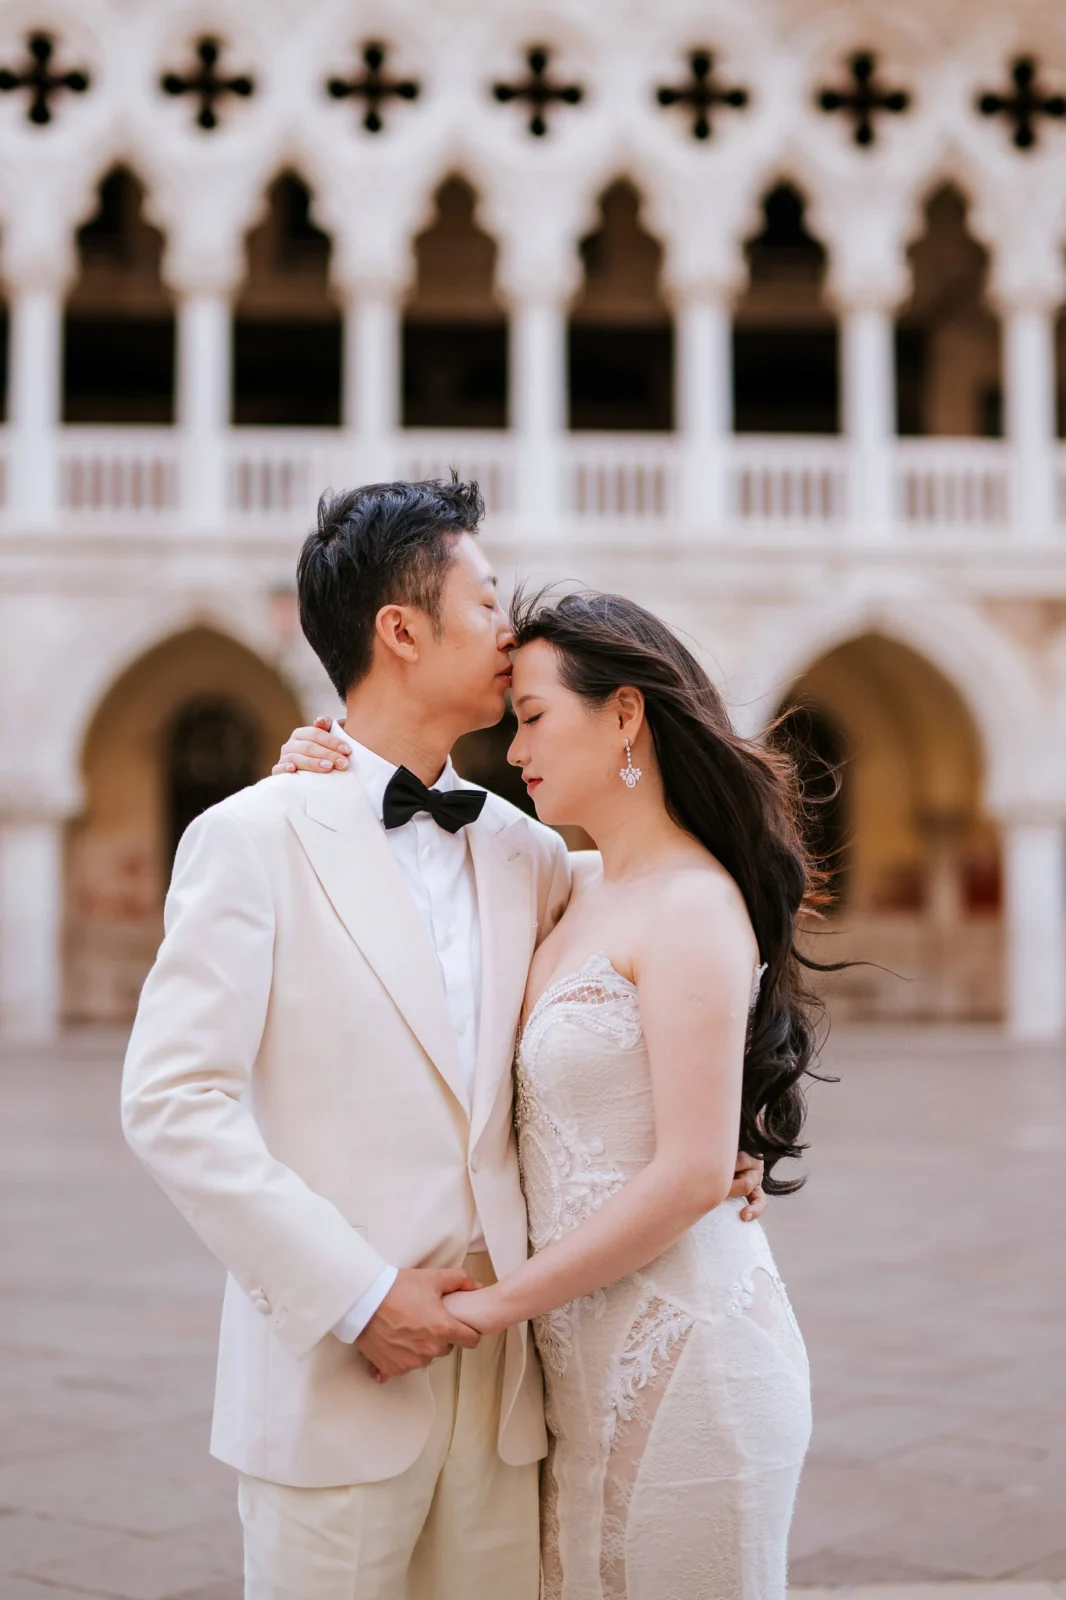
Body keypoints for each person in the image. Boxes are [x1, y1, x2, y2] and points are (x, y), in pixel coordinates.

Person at [121, 476, 766, 1600]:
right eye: (485, 604)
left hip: (513, 1375)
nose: (509, 632)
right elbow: (174, 1104)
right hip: (337, 1366)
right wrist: (359, 1295)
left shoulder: (522, 849)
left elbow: (671, 939)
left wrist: (721, 1129)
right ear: (401, 629)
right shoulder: (252, 836)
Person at [276, 586, 820, 1600]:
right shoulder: (571, 880)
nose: (514, 750)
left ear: (624, 713)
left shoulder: (696, 903)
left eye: (531, 718)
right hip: (574, 1369)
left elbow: (693, 1171)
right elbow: (409, 867)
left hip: (686, 1363)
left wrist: (481, 1312)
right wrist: (323, 775)